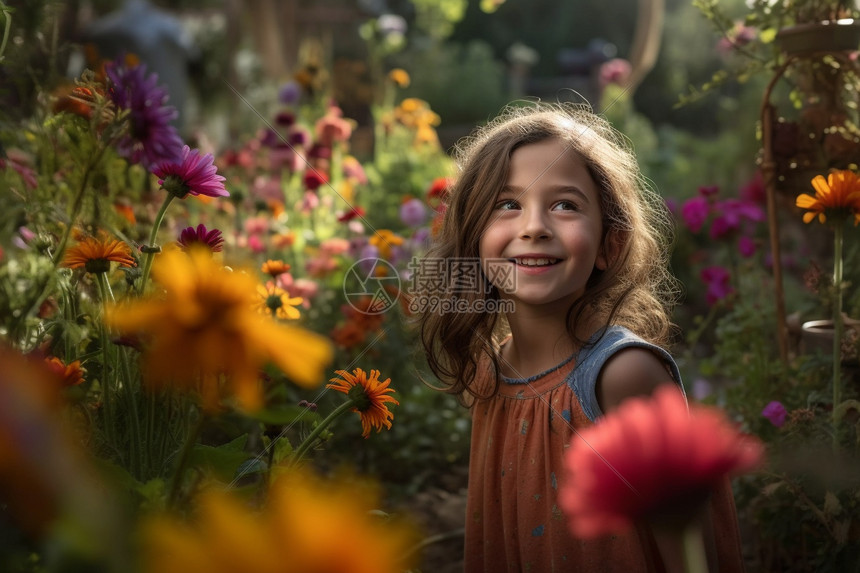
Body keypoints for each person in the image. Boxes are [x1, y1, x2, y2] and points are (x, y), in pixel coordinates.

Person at [414, 102, 745, 572]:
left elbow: (693, 561)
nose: (533, 227)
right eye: (508, 205)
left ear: (610, 243)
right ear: (473, 239)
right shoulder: (491, 372)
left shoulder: (623, 375)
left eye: (564, 205)